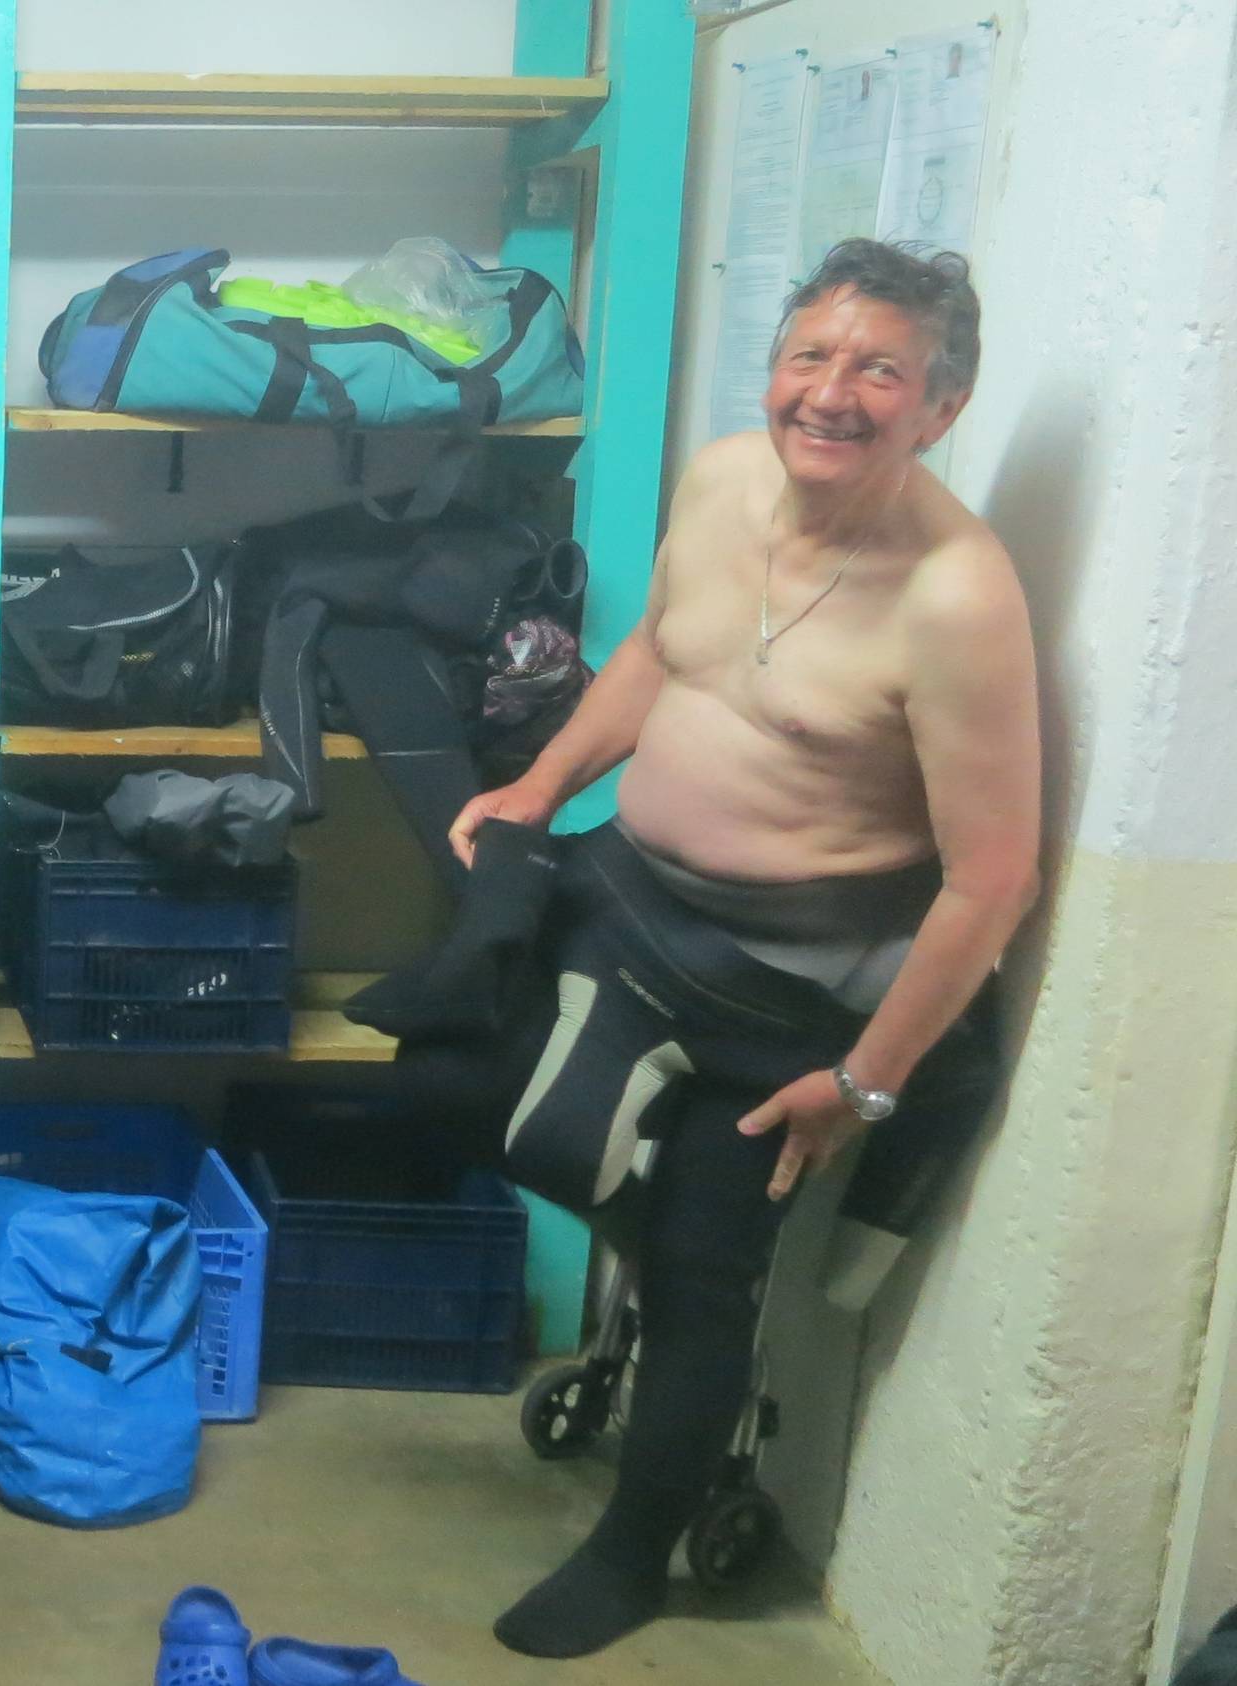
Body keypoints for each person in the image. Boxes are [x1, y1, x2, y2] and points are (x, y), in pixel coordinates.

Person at [449, 239, 1041, 1658]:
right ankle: (640, 1236)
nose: (831, 393)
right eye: (810, 356)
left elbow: (991, 880)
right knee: (471, 1076)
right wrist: (539, 788)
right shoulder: (723, 481)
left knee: (707, 1269)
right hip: (636, 899)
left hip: (794, 987)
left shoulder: (958, 597)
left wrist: (867, 1084)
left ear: (941, 406)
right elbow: (663, 651)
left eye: (879, 370)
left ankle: (633, 1553)